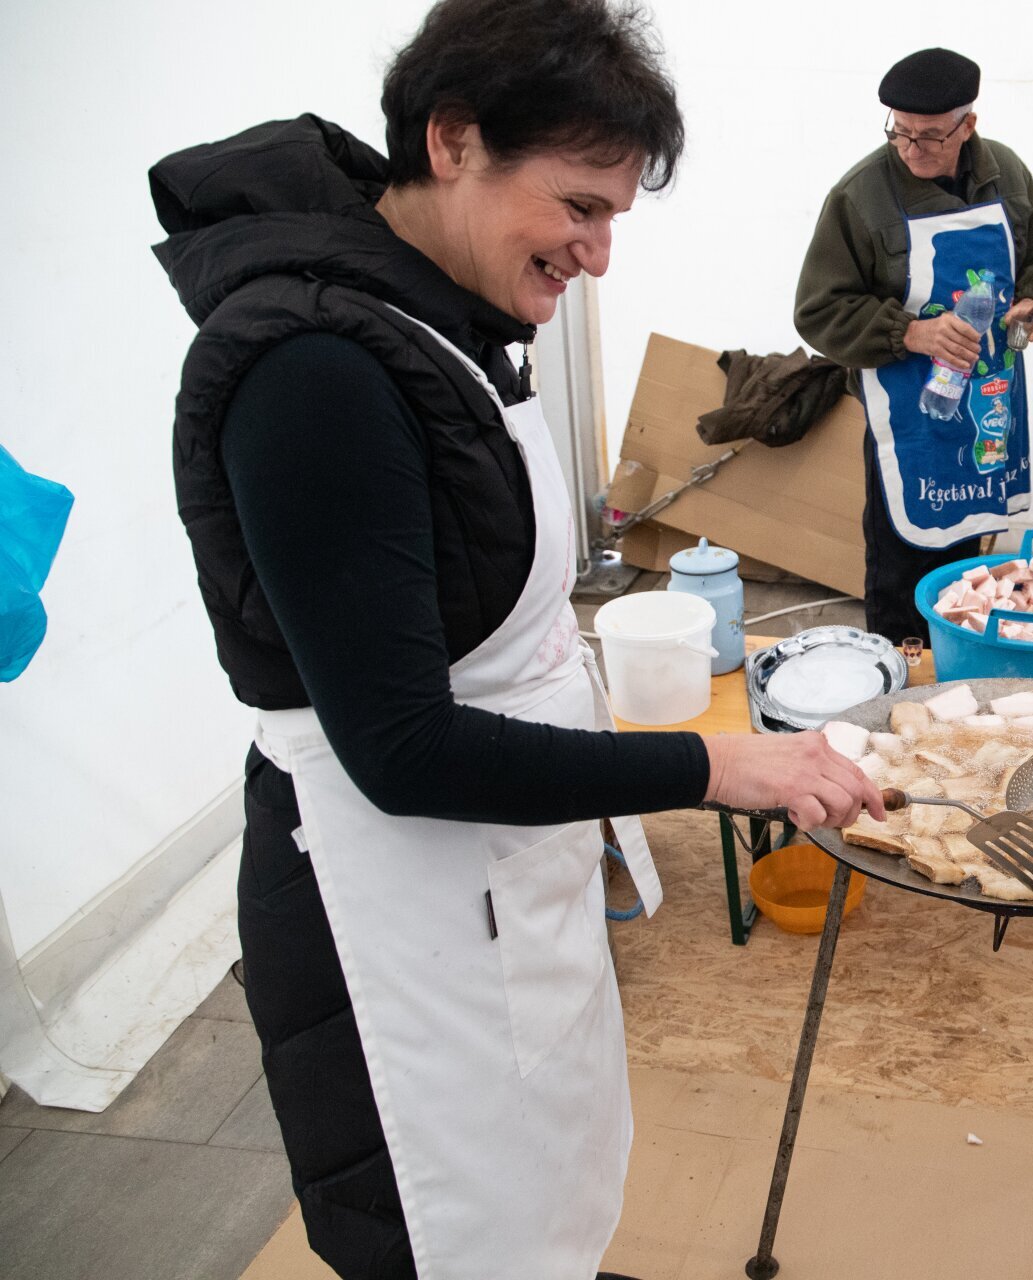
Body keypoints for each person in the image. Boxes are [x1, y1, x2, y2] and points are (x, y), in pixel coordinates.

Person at [150, 2, 882, 1276]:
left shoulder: (441, 318)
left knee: (539, 1172)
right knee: (443, 1222)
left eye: (614, 217)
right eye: (579, 207)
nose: (598, 254)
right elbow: (400, 746)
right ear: (451, 141)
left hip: (484, 878)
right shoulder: (313, 373)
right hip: (383, 902)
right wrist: (714, 768)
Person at [795, 48, 1033, 642]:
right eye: (900, 133)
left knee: (968, 565)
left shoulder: (1009, 175)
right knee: (901, 567)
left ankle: (961, 670)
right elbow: (818, 312)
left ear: (968, 125)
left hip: (989, 403)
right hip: (908, 416)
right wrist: (911, 332)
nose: (911, 149)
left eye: (929, 137)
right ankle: (899, 678)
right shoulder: (860, 197)